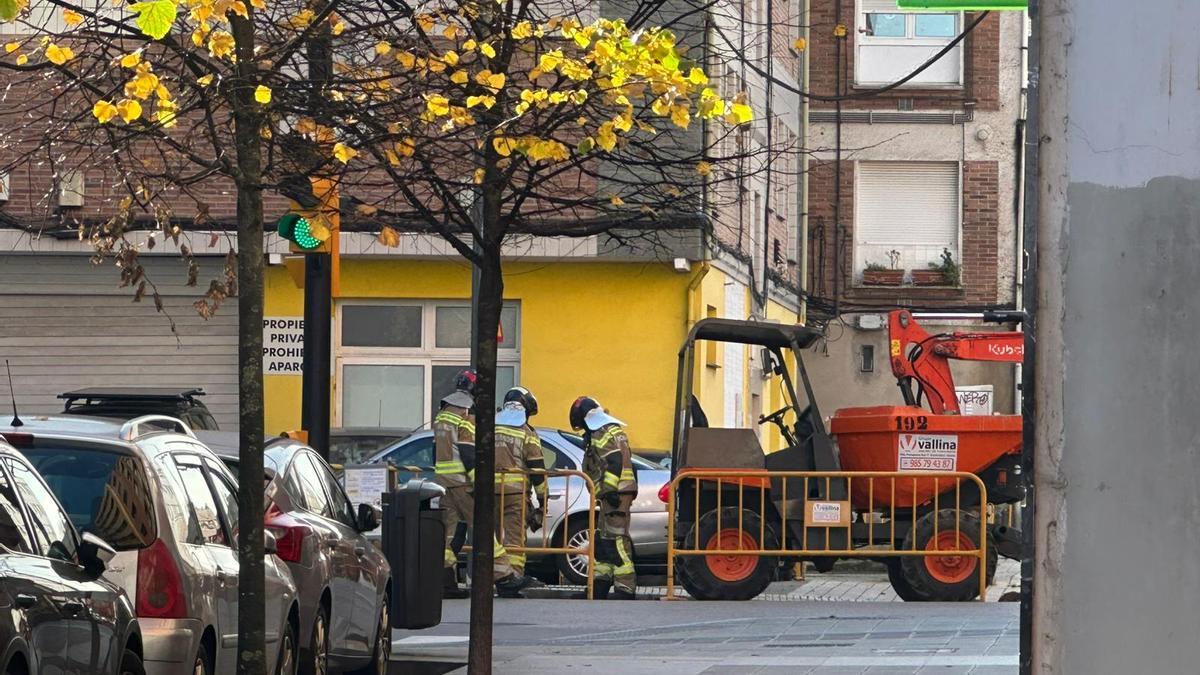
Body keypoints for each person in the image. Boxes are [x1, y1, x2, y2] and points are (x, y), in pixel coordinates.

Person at [433, 371, 534, 598]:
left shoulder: (444, 413)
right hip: (463, 484)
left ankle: (445, 582)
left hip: (444, 483)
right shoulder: (467, 413)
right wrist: (480, 483)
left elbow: (435, 452)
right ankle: (505, 579)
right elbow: (468, 452)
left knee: (449, 534)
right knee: (484, 530)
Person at [570, 396, 638, 599]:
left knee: (616, 540)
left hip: (615, 493)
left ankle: (625, 588)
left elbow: (614, 461)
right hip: (616, 492)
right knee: (603, 540)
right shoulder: (613, 429)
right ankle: (599, 585)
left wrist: (609, 489)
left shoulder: (602, 432)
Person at [493, 386, 550, 597]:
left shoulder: (491, 427)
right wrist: (543, 500)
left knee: (492, 539)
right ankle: (513, 579)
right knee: (514, 541)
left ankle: (496, 577)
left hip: (487, 494)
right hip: (515, 495)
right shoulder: (526, 432)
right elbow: (537, 469)